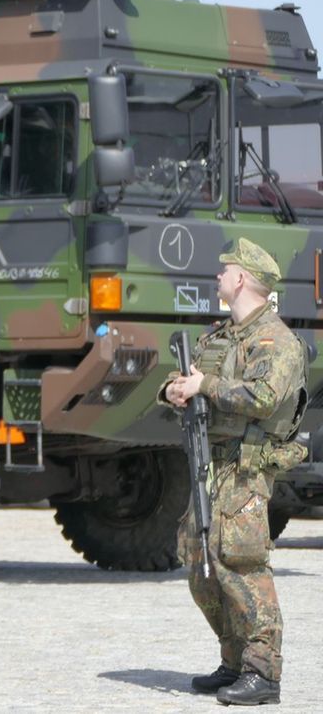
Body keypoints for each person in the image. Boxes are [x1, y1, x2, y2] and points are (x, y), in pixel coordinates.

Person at [161, 237, 308, 706]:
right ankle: (235, 660)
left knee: (242, 566)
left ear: (241, 278)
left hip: (246, 468)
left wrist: (207, 385)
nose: (218, 277)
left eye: (224, 270)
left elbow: (263, 397)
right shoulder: (218, 337)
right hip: (209, 463)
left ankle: (263, 674)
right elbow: (182, 377)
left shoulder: (278, 342)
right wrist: (174, 390)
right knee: (201, 567)